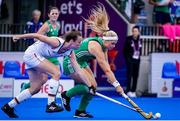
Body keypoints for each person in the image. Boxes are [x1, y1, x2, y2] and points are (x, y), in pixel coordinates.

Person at [1, 30, 90, 118]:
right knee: (56, 72)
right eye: (79, 42)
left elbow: (78, 70)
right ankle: (51, 104)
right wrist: (19, 36)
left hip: (35, 57)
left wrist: (89, 86)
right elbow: (37, 35)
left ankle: (9, 106)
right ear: (71, 41)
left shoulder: (70, 52)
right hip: (31, 54)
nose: (80, 44)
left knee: (35, 88)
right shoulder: (56, 42)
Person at [60, 4, 124, 118]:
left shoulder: (103, 46)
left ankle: (80, 111)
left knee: (93, 88)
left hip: (81, 63)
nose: (114, 46)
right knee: (86, 86)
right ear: (106, 41)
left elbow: (107, 68)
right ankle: (66, 95)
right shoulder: (96, 47)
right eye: (112, 43)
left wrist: (111, 79)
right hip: (69, 62)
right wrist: (117, 85)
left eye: (115, 43)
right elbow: (106, 69)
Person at [20, 6, 62, 113]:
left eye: (56, 14)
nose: (54, 15)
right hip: (43, 54)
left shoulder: (57, 25)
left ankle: (52, 101)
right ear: (48, 15)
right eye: (52, 13)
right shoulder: (46, 25)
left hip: (51, 55)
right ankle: (28, 86)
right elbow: (36, 37)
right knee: (48, 77)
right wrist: (46, 41)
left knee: (54, 75)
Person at [123, 26, 142, 97]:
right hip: (130, 60)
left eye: (136, 31)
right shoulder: (128, 39)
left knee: (136, 76)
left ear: (138, 32)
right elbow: (124, 50)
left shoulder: (140, 39)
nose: (135, 33)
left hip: (137, 60)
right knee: (129, 75)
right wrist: (127, 59)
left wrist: (139, 58)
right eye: (133, 31)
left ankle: (133, 91)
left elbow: (140, 50)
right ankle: (128, 91)